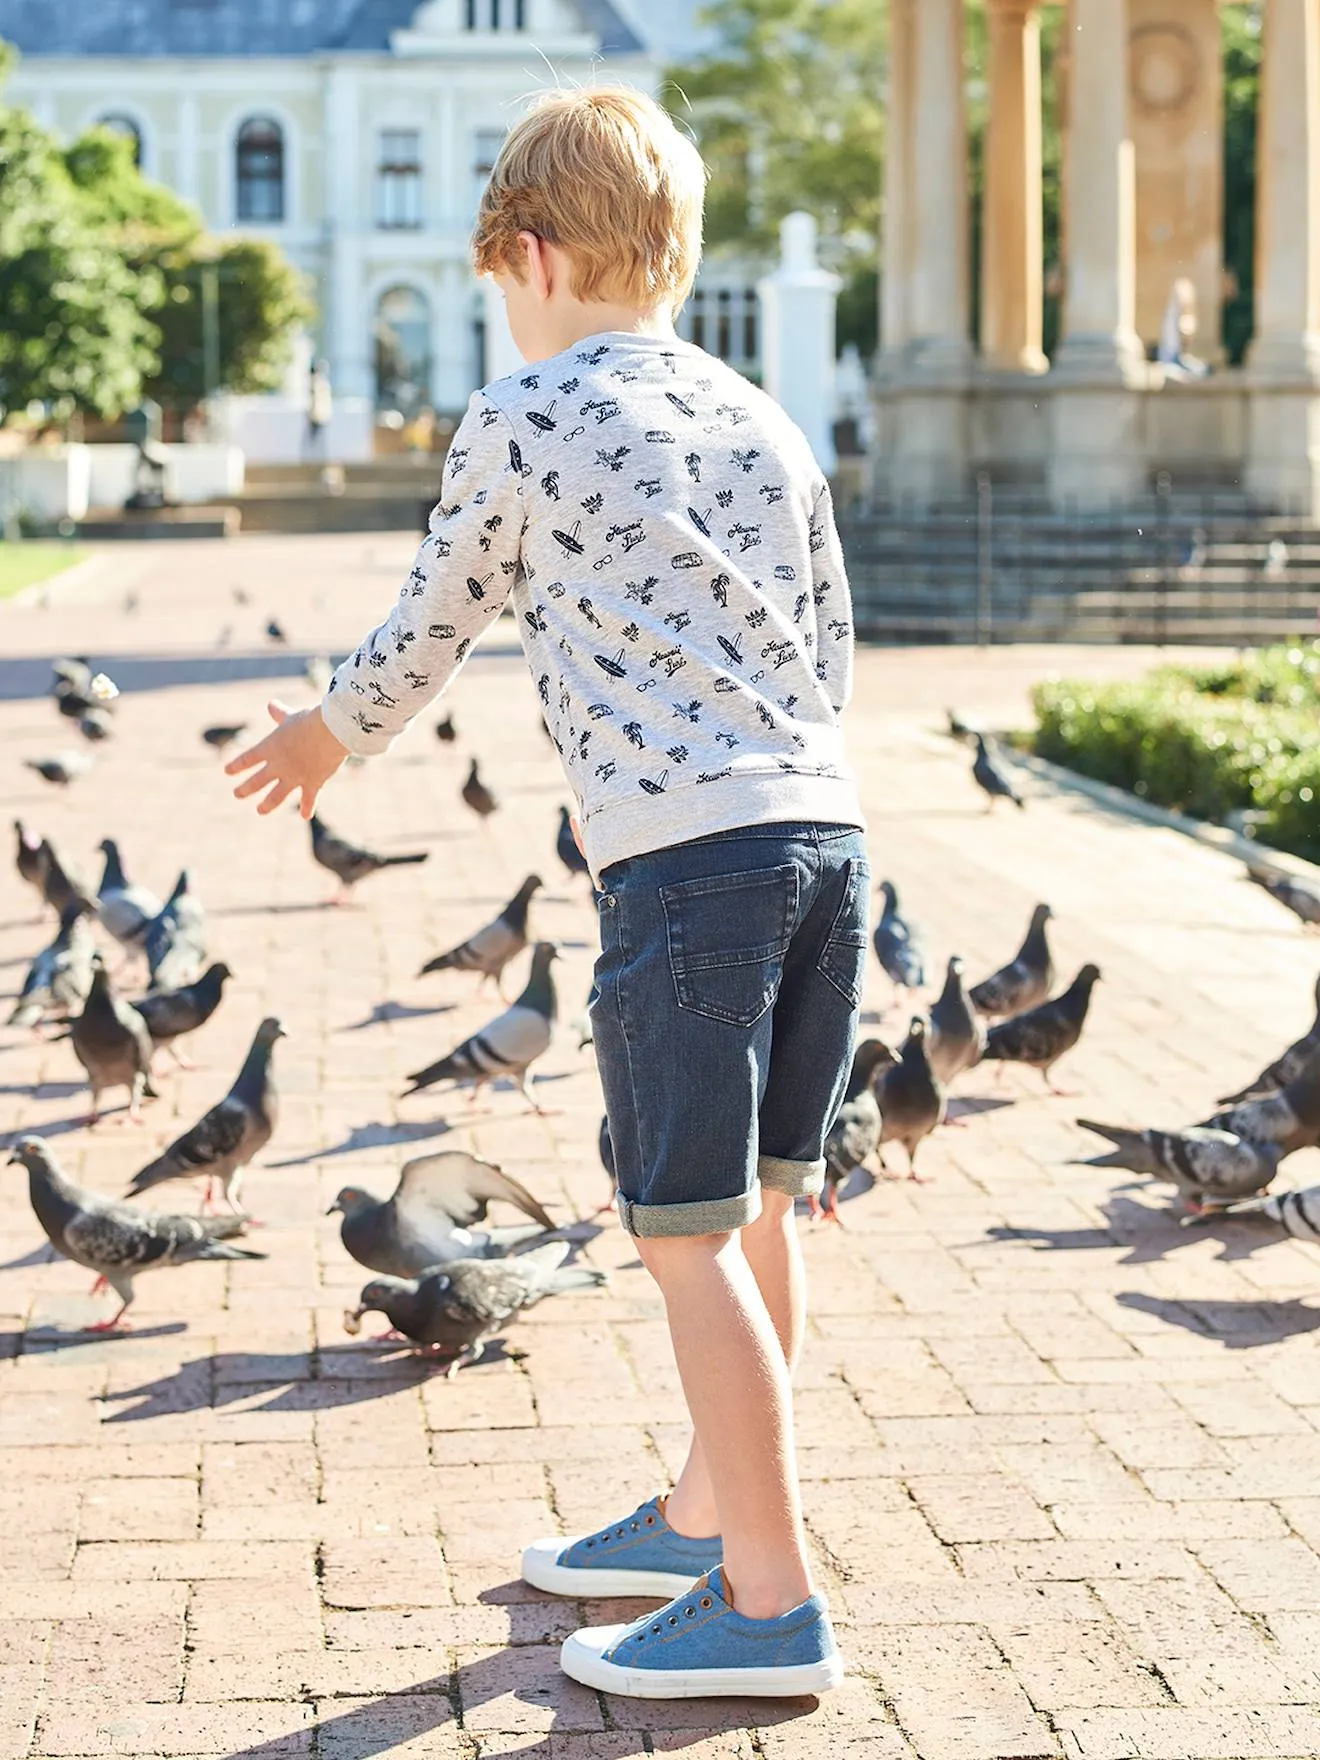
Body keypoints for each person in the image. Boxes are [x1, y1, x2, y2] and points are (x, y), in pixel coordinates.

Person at [225, 86, 865, 1702]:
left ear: (527, 250)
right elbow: (831, 638)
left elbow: (437, 616)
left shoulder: (527, 412)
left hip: (685, 865)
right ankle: (716, 1515)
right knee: (761, 1206)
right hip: (824, 843)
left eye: (501, 285)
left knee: (679, 1232)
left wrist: (328, 729)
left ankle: (768, 1598)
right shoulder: (763, 414)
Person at [306, 358, 333, 456]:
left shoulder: (321, 381)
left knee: (319, 440)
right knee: (314, 440)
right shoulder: (316, 382)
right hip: (316, 415)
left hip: (321, 415)